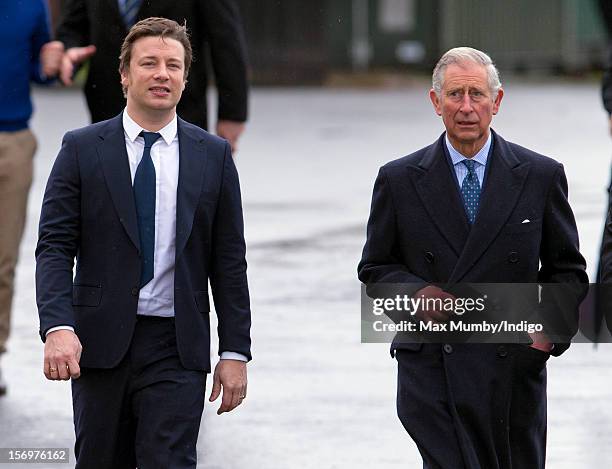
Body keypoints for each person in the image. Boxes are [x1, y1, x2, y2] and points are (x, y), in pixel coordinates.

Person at [36, 17, 251, 468]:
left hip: (177, 344)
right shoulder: (82, 148)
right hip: (99, 343)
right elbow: (55, 246)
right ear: (124, 75)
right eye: (149, 63)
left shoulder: (212, 156)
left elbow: (228, 261)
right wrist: (58, 326)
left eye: (173, 65)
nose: (162, 74)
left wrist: (234, 351)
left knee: (168, 460)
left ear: (186, 78)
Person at [358, 47, 587, 468]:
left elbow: (567, 271)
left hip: (511, 372)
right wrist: (416, 293)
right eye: (455, 95)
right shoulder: (399, 179)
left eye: (477, 95)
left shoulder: (540, 175)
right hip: (432, 370)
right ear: (435, 102)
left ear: (496, 103)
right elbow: (375, 268)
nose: (466, 107)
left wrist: (546, 337)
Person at [48, 0, 248, 151]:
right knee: (111, 196)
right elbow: (73, 26)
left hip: (180, 114)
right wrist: (69, 51)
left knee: (180, 196)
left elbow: (226, 40)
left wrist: (232, 114)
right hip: (107, 111)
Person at [0, 0, 63, 395]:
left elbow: (41, 70)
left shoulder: (30, 5)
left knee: (3, 259)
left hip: (13, 142)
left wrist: (51, 64)